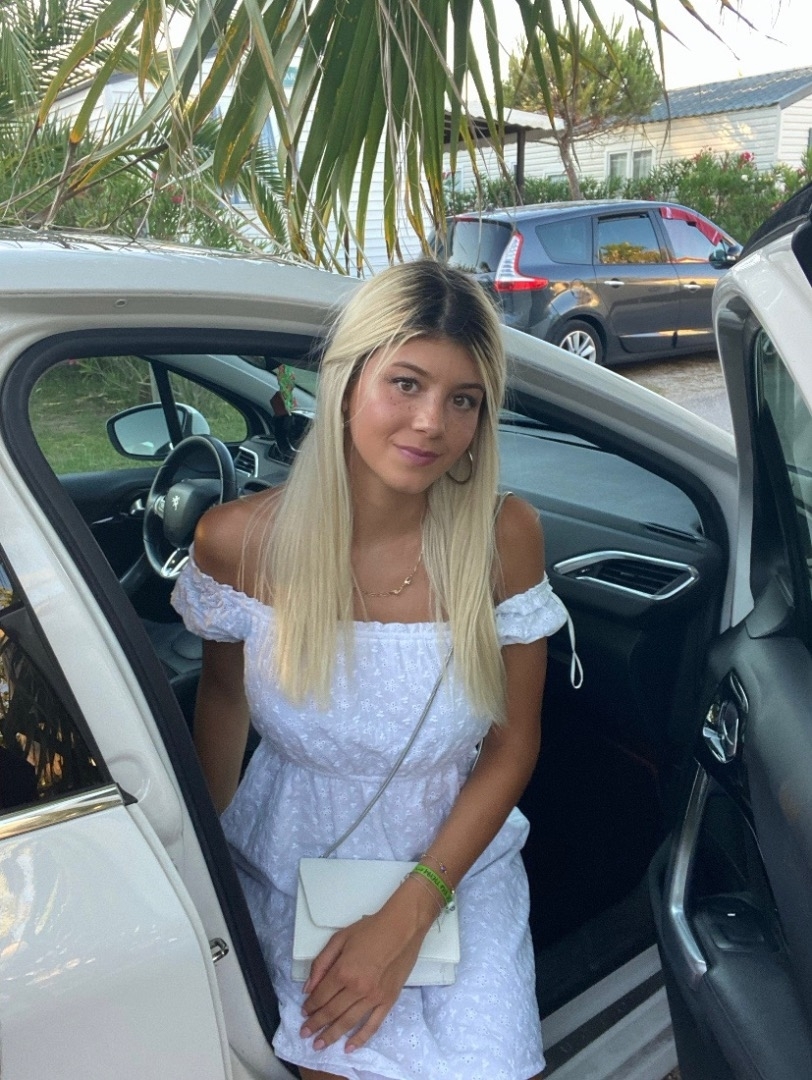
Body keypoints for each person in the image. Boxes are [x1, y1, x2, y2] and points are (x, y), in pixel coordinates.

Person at [171, 259, 573, 1080]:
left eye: (463, 399)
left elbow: (511, 746)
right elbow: (223, 701)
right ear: (347, 382)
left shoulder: (504, 538)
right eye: (406, 383)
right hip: (293, 853)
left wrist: (409, 913)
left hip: (456, 858)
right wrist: (199, 877)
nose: (432, 423)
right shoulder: (238, 543)